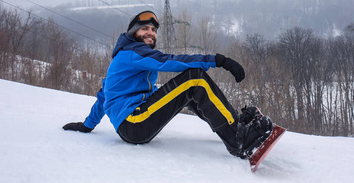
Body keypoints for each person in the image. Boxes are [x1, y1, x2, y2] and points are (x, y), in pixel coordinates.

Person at [63, 10, 272, 159]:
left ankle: (234, 125)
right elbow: (169, 61)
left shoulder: (123, 59)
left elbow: (103, 96)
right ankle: (238, 139)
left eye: (153, 29)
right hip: (134, 123)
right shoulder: (132, 53)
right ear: (133, 33)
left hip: (133, 125)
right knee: (194, 79)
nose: (150, 32)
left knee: (188, 93)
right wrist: (218, 60)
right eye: (144, 28)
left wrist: (86, 126)